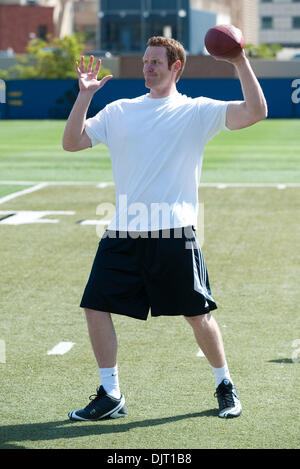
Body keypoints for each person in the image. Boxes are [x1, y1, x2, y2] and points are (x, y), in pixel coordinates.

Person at [63, 36, 267, 421]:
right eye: (145, 62)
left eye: (156, 61)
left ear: (176, 67)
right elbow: (72, 142)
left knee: (199, 315)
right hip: (123, 232)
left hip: (174, 231)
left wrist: (239, 60)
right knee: (94, 307)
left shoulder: (196, 112)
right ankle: (111, 394)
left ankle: (225, 385)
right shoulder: (120, 110)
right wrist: (85, 95)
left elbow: (256, 111)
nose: (148, 67)